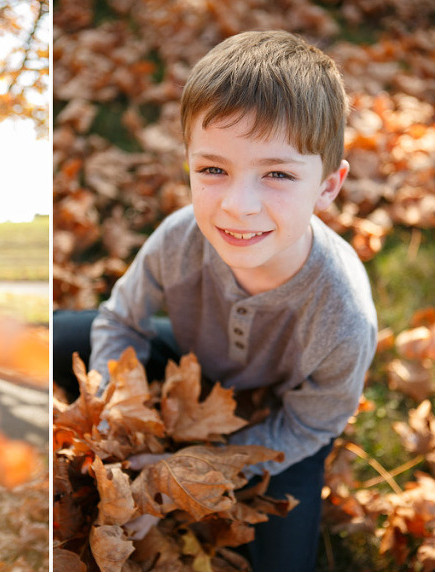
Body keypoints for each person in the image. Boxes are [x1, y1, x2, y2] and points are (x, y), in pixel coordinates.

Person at [53, 30, 377, 571]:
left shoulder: (342, 312)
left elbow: (313, 424)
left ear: (327, 185)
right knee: (60, 334)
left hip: (279, 422)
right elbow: (121, 320)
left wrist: (190, 469)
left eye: (276, 174)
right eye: (213, 170)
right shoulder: (179, 238)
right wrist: (116, 414)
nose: (237, 205)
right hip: (194, 359)